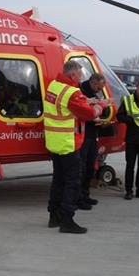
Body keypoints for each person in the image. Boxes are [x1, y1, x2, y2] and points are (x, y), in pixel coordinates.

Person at [44, 61, 105, 234]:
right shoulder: (72, 92)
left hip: (54, 141)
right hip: (68, 142)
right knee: (73, 181)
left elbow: (66, 107)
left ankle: (53, 215)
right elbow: (88, 114)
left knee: (58, 180)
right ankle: (67, 219)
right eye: (79, 75)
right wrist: (101, 106)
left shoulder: (54, 86)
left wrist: (87, 100)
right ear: (72, 75)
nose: (81, 78)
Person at [78, 72, 112, 210]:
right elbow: (86, 112)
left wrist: (102, 115)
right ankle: (79, 198)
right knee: (82, 167)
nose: (99, 90)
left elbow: (102, 110)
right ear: (92, 82)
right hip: (84, 135)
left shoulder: (95, 93)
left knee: (91, 166)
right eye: (98, 88)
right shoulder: (81, 91)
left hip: (93, 134)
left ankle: (85, 195)